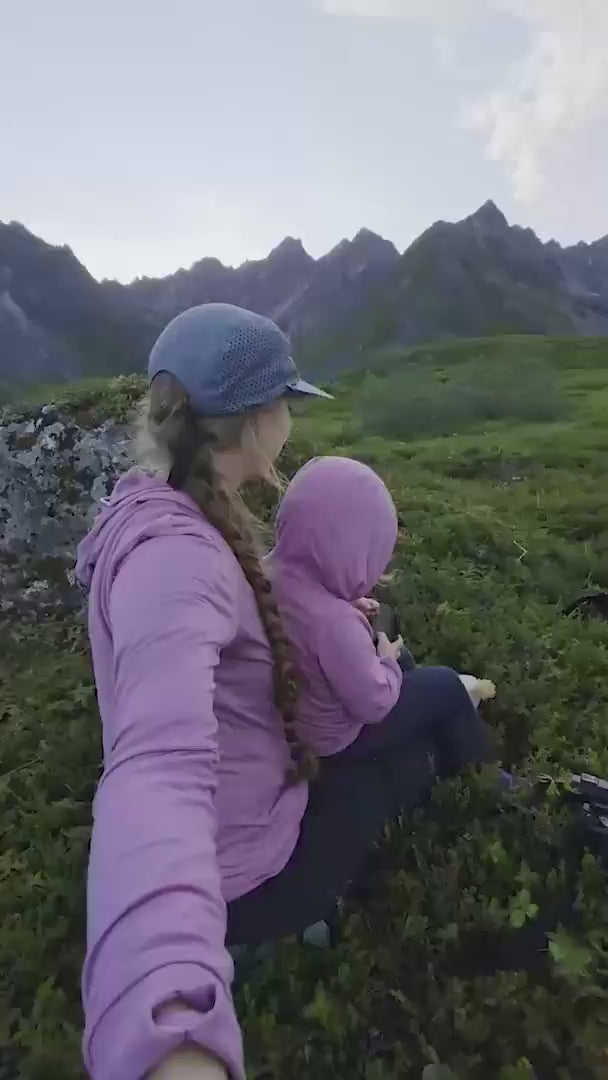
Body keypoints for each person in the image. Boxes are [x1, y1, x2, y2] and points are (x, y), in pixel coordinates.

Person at [76, 303, 494, 1080]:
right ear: (260, 417)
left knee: (395, 701)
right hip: (242, 880)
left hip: (240, 819)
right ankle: (297, 920)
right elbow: (157, 769)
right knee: (401, 759)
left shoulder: (159, 500)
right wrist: (164, 1022)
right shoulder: (177, 559)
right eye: (289, 404)